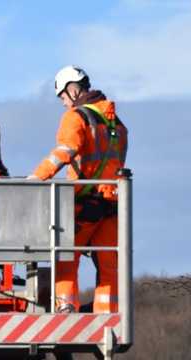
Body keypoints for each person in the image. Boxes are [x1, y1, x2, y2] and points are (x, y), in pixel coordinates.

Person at [30, 66, 128, 313]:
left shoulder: (76, 117)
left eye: (62, 96)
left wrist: (36, 178)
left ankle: (66, 310)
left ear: (73, 90)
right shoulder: (116, 123)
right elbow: (119, 161)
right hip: (113, 204)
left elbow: (65, 151)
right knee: (109, 265)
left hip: (84, 204)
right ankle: (107, 314)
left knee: (66, 259)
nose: (63, 103)